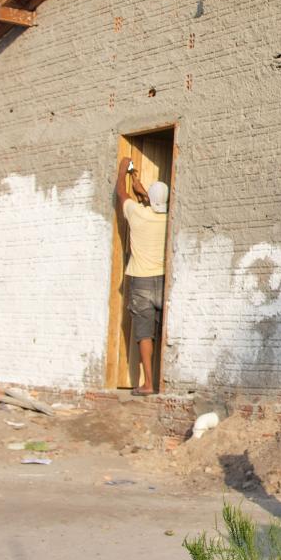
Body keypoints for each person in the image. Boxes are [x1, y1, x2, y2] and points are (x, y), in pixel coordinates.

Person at [116, 157, 168, 395]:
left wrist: (122, 171)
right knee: (160, 331)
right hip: (163, 281)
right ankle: (160, 381)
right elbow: (156, 204)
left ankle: (147, 383)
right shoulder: (169, 219)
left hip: (142, 281)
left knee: (144, 333)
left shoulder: (137, 214)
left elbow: (121, 194)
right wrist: (144, 190)